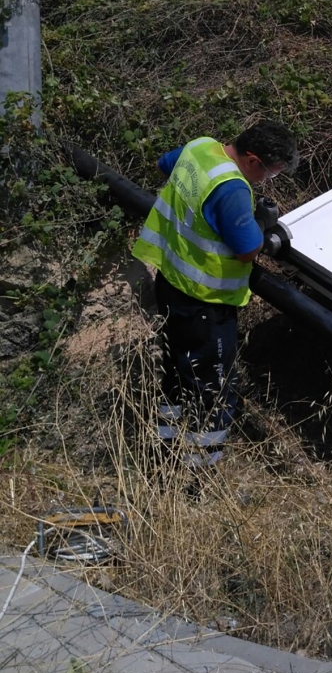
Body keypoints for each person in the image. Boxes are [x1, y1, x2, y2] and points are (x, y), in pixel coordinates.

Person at [132, 120, 298, 471]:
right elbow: (247, 249)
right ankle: (197, 470)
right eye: (269, 173)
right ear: (252, 160)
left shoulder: (200, 147)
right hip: (204, 303)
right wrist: (262, 224)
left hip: (170, 283)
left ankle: (163, 447)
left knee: (178, 371)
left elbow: (164, 164)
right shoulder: (233, 188)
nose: (266, 181)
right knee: (214, 390)